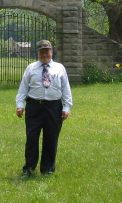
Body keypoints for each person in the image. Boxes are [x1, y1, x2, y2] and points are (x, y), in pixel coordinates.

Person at [16, 39, 72, 179]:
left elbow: (66, 89)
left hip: (54, 107)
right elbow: (23, 88)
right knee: (32, 139)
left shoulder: (60, 68)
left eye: (46, 51)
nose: (44, 54)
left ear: (51, 52)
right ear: (38, 53)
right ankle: (28, 169)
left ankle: (48, 170)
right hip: (34, 106)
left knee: (51, 139)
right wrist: (20, 105)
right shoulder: (31, 68)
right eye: (41, 51)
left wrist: (66, 107)